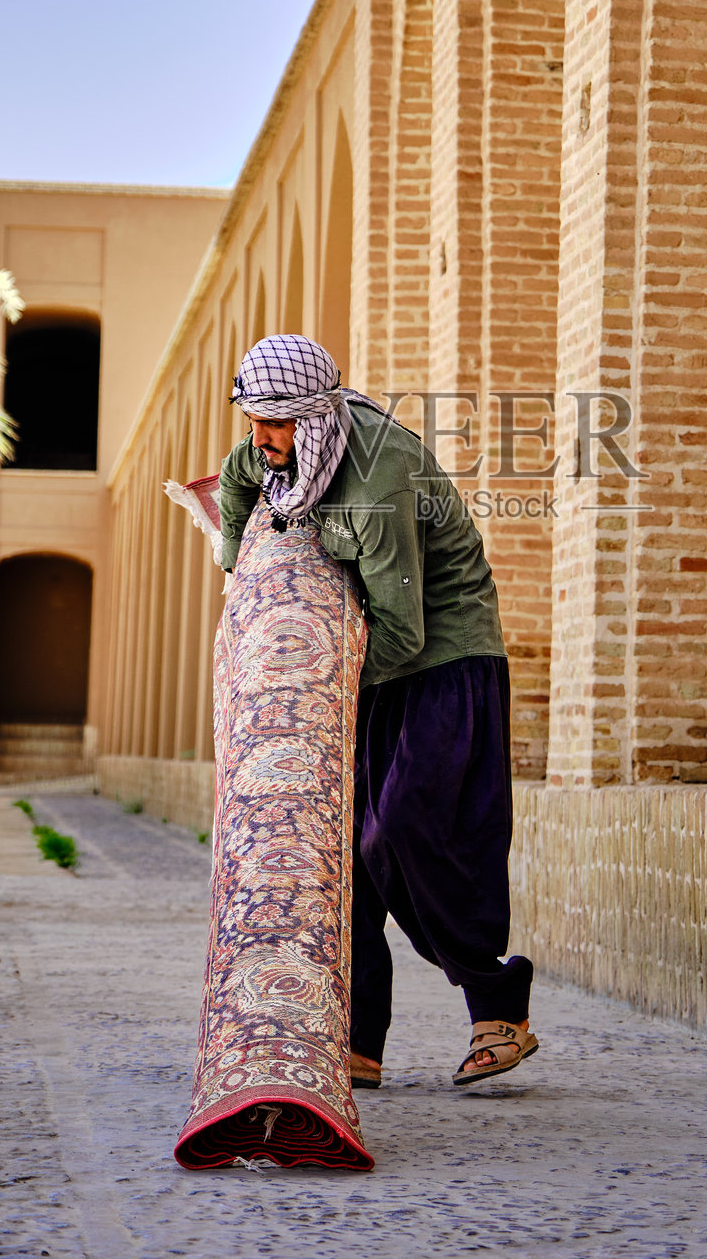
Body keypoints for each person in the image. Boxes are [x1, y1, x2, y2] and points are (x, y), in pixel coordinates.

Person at [218, 333, 537, 1088]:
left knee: (404, 831)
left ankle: (499, 1007)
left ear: (317, 414)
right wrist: (246, 576)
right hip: (363, 669)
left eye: (279, 422)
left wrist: (311, 689)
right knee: (341, 846)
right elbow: (232, 489)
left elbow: (404, 629)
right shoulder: (269, 453)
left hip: (442, 662)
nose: (262, 439)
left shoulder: (377, 474)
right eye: (254, 420)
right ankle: (358, 1041)